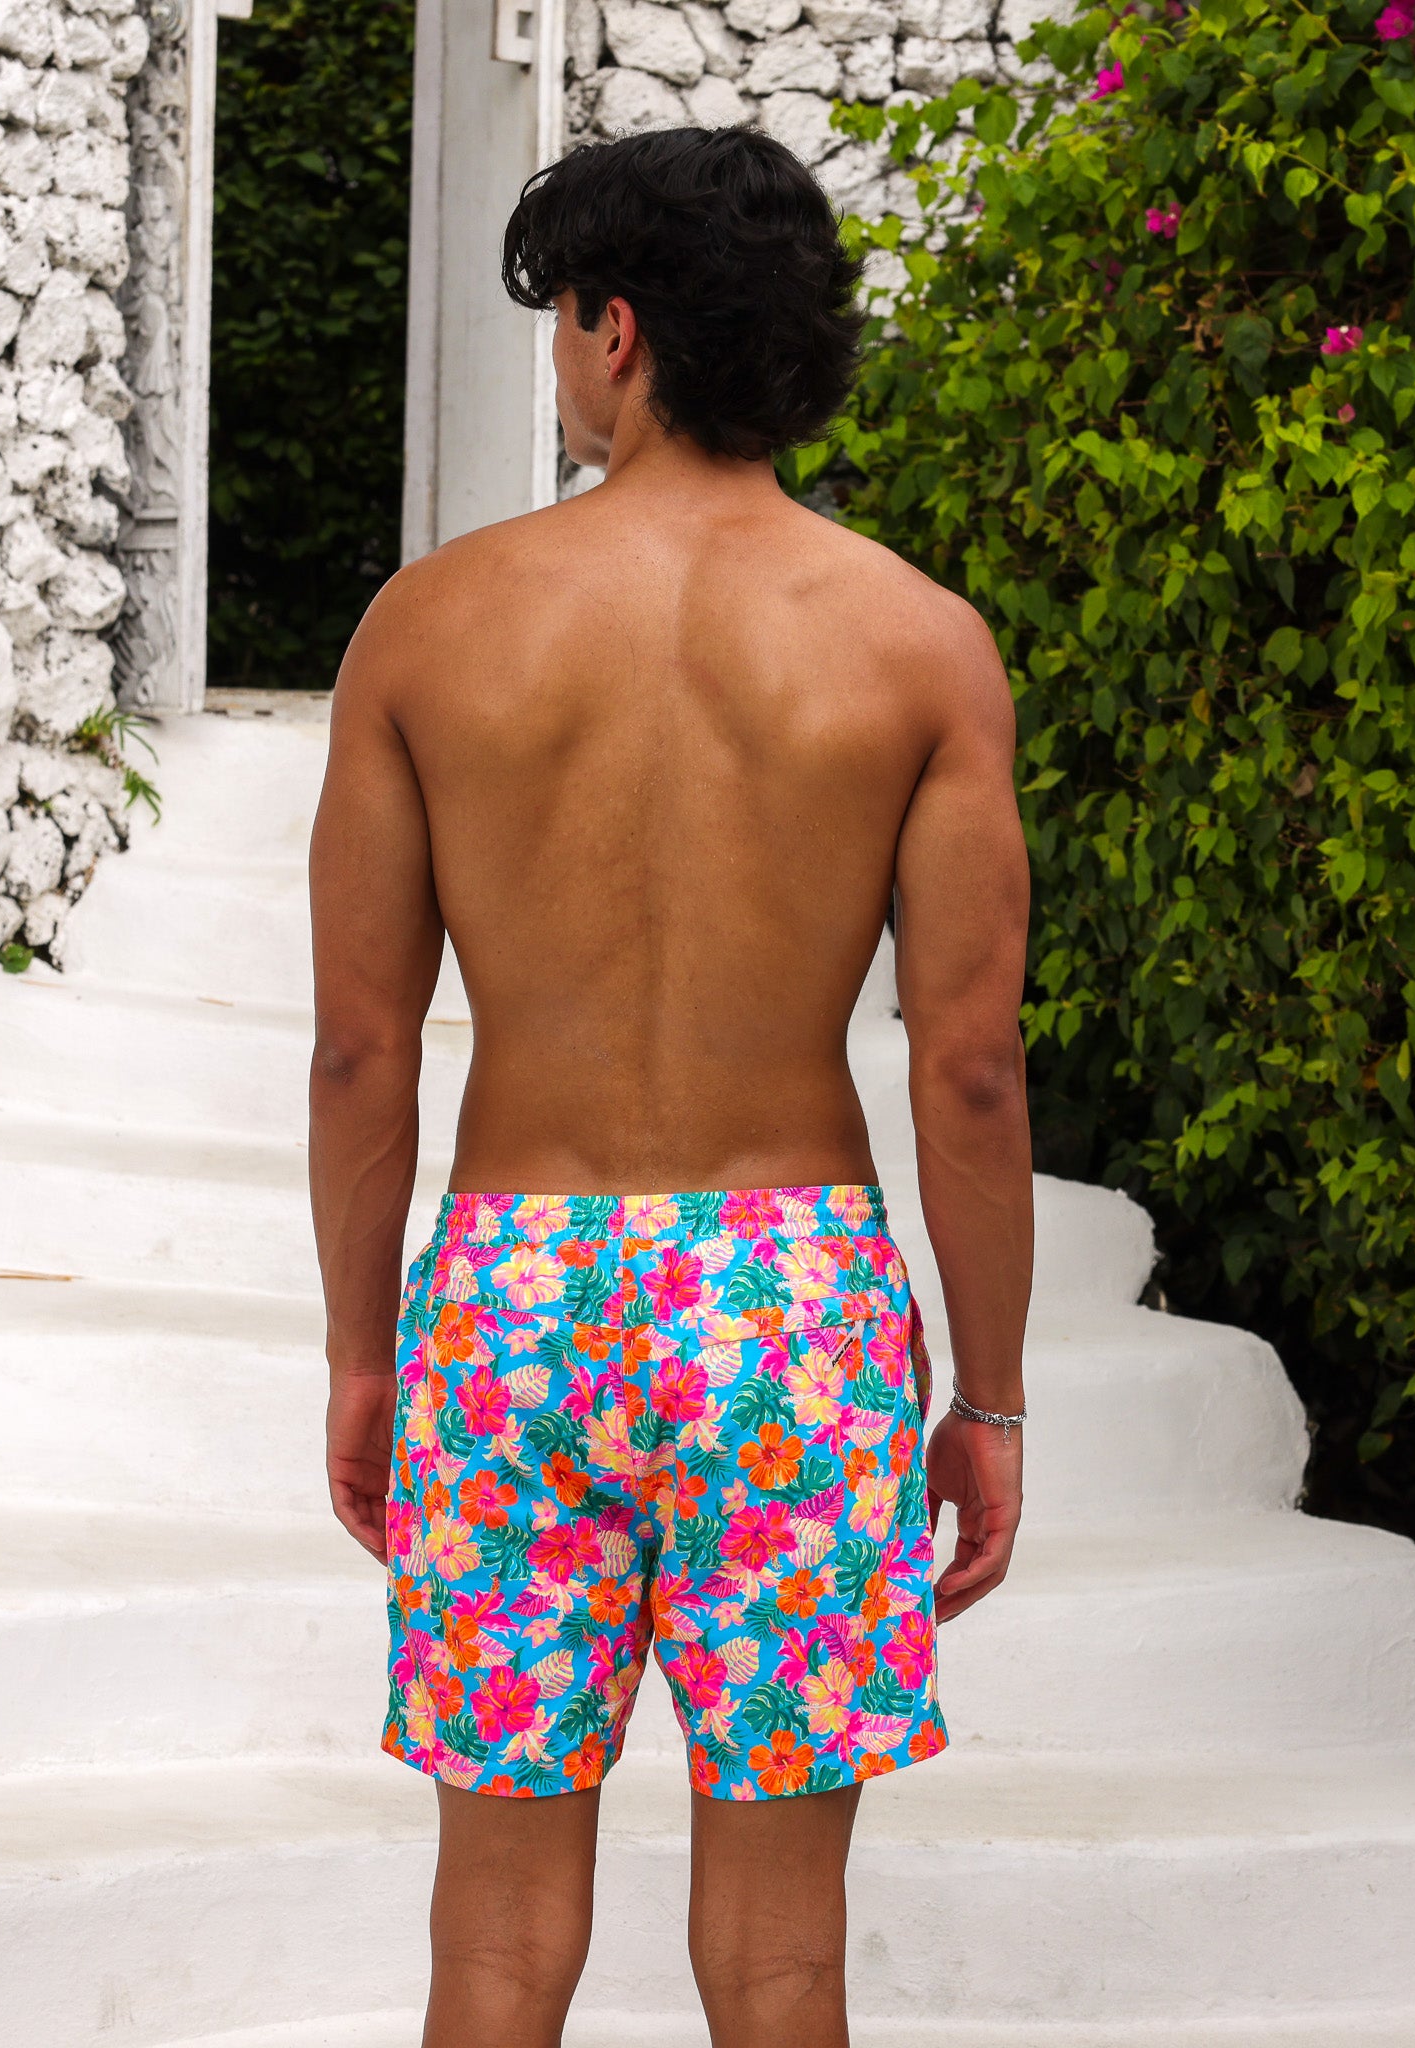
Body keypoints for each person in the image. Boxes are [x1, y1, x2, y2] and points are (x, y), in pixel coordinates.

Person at [308, 125, 1032, 2048]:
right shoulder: (920, 644)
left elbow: (363, 1047)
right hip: (793, 1313)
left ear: (615, 331)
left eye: (562, 322)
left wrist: (365, 1358)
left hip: (514, 1300)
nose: (561, 362)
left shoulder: (429, 627)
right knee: (784, 1955)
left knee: (493, 1944)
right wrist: (989, 1396)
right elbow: (968, 1068)